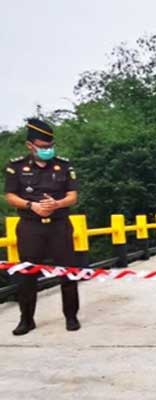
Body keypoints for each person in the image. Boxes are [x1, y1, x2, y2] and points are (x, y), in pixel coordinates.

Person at [4, 118, 80, 335]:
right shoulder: (16, 167)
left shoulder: (64, 165)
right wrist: (32, 205)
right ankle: (26, 319)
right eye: (43, 147)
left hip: (59, 224)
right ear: (30, 146)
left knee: (68, 271)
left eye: (50, 146)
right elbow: (10, 195)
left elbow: (73, 195)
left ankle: (71, 316)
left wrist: (57, 204)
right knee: (27, 273)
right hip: (30, 226)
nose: (48, 150)